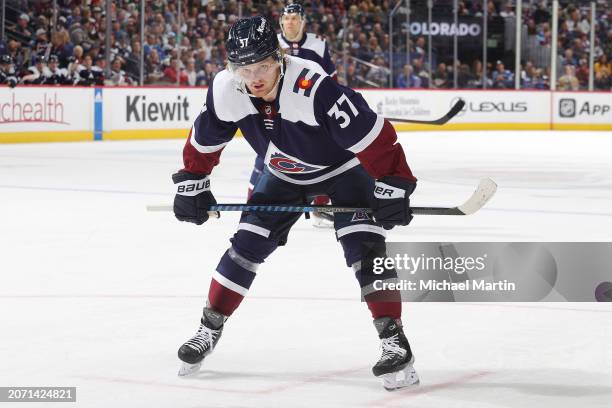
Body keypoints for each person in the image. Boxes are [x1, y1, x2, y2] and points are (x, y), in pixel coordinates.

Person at [172, 16, 419, 391]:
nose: (253, 77)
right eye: (243, 68)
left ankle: (394, 339)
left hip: (343, 172)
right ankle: (208, 329)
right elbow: (206, 137)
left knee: (365, 251)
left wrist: (394, 183)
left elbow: (375, 136)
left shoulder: (314, 87)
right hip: (282, 174)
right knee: (244, 248)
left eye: (262, 66)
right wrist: (193, 181)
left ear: (279, 58)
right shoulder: (227, 88)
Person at [247, 3, 338, 228]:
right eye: (287, 19)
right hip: (277, 110)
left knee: (324, 154)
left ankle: (320, 206)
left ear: (303, 21)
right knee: (267, 155)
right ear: (281, 22)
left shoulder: (318, 44)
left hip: (310, 110)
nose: (290, 23)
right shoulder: (272, 43)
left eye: (295, 18)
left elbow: (331, 80)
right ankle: (251, 206)